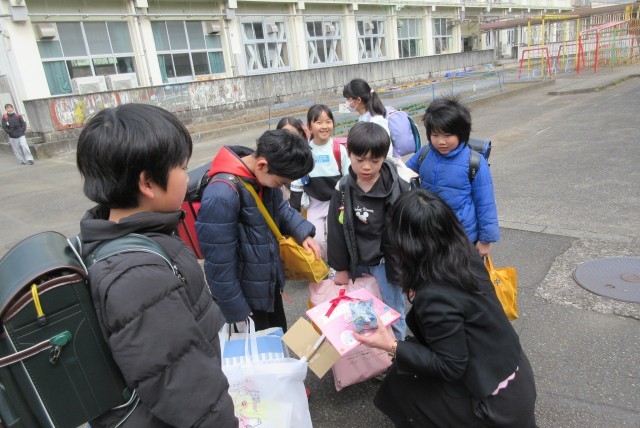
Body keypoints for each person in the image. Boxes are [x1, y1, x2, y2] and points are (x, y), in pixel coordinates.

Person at [75, 104, 237, 427]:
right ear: (148, 183)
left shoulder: (126, 235)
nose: (188, 177)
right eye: (183, 167)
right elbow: (187, 391)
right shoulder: (138, 277)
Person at [355, 189, 537, 427]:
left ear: (406, 244)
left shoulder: (434, 295)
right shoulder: (464, 254)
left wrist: (389, 344)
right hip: (516, 378)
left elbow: (450, 366)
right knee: (410, 363)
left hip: (496, 406)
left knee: (401, 382)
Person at [196, 129, 321, 332]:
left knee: (276, 336)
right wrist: (235, 309)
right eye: (281, 183)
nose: (281, 187)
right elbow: (219, 262)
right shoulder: (221, 194)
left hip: (266, 282)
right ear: (262, 165)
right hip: (245, 296)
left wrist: (303, 233)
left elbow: (280, 209)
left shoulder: (261, 175)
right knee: (258, 347)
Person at [327, 121, 409, 340]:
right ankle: (370, 353)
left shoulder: (397, 187)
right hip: (357, 260)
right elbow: (335, 230)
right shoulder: (343, 188)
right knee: (361, 310)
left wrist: (409, 268)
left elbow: (406, 231)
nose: (366, 167)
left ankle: (397, 350)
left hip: (385, 261)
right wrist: (340, 268)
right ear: (349, 154)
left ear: (384, 157)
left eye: (375, 160)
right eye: (360, 159)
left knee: (393, 310)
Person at [405, 95, 499, 257]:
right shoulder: (425, 153)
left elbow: (486, 203)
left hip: (462, 237)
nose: (441, 142)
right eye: (435, 135)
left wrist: (485, 240)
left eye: (447, 135)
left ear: (461, 133)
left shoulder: (475, 162)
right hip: (429, 233)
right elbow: (403, 173)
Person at [289, 104, 350, 260]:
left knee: (335, 238)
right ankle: (322, 266)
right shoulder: (305, 152)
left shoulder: (339, 150)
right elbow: (297, 181)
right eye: (319, 122)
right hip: (314, 202)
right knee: (317, 239)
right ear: (309, 126)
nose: (324, 126)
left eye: (328, 121)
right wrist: (294, 208)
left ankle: (336, 266)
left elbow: (349, 178)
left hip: (335, 202)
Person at [342, 78, 394, 158]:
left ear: (358, 100)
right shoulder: (364, 117)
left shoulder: (376, 120)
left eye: (348, 99)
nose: (346, 102)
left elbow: (384, 150)